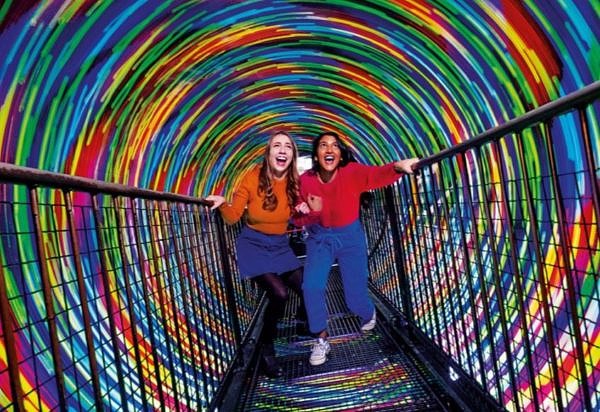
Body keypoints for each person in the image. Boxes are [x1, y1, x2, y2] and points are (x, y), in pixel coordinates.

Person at [294, 131, 419, 366]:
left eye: (334, 146)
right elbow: (297, 221)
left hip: (350, 239)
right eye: (323, 145)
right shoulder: (306, 180)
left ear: (340, 155)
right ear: (316, 154)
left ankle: (368, 311)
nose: (329, 149)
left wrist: (399, 166)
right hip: (319, 240)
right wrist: (308, 213)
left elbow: (377, 174)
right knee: (311, 287)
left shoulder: (351, 172)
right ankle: (320, 339)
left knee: (355, 298)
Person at [205, 131, 306, 378]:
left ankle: (304, 323)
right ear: (268, 153)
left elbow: (290, 216)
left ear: (292, 155)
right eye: (277, 146)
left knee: (309, 286)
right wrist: (222, 203)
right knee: (279, 294)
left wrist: (302, 210)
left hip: (280, 246)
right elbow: (232, 217)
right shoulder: (252, 178)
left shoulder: (295, 183)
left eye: (288, 147)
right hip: (254, 245)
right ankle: (266, 349)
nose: (282, 150)